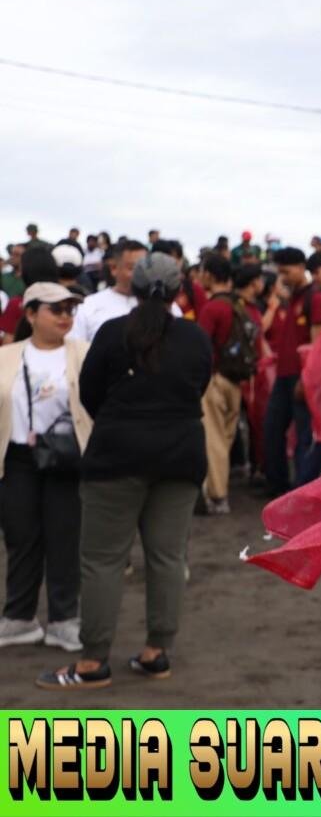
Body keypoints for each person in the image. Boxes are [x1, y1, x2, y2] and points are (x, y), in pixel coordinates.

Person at [37, 253, 211, 689]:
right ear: (178, 290)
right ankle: (157, 651)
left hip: (116, 454)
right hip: (180, 454)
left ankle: (94, 661)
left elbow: (90, 393)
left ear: (134, 287)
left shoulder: (114, 333)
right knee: (168, 557)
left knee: (101, 560)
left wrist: (121, 420)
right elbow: (198, 387)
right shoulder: (194, 338)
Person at [0, 284, 91, 652]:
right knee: (21, 539)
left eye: (70, 308)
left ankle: (64, 620)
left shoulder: (85, 353)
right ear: (31, 313)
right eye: (56, 309)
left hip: (66, 457)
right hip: (17, 457)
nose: (65, 316)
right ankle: (19, 618)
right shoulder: (7, 355)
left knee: (64, 540)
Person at [197, 258, 264, 514]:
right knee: (224, 438)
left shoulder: (212, 307)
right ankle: (217, 488)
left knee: (213, 439)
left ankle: (217, 495)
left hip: (214, 379)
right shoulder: (240, 307)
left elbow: (202, 347)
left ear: (211, 275)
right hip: (236, 381)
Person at [262, 247, 321, 498]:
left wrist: (307, 378)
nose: (283, 277)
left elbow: (317, 343)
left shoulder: (314, 298)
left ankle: (301, 490)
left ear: (301, 267)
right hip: (284, 375)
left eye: (286, 271)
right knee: (272, 429)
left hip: (301, 378)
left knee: (303, 435)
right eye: (280, 272)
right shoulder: (295, 297)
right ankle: (277, 485)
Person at [70, 240, 181, 341]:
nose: (140, 275)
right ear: (114, 268)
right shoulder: (89, 306)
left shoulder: (169, 307)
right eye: (132, 268)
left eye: (144, 268)